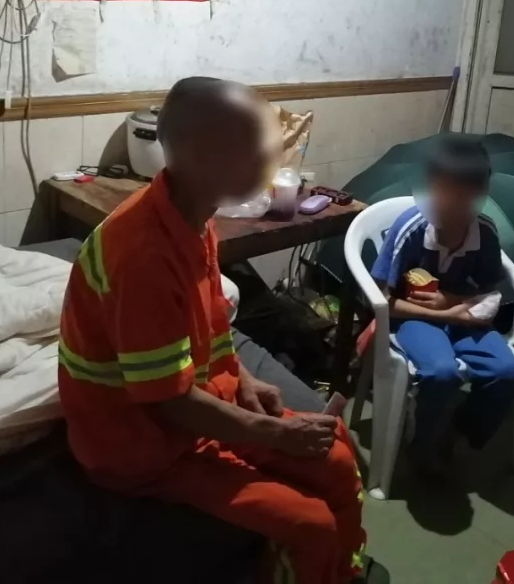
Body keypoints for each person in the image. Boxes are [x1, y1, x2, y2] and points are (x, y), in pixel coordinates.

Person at [57, 77, 365, 584]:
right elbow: (167, 401)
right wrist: (275, 433)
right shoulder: (142, 255)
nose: (273, 159)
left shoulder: (193, 215)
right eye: (258, 149)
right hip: (145, 442)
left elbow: (213, 320)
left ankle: (343, 571)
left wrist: (243, 378)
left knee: (336, 456)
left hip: (198, 403)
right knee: (310, 525)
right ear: (202, 160)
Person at [370, 136, 514, 473]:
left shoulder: (484, 233)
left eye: (458, 198)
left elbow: (488, 292)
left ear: (477, 197)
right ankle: (422, 442)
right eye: (438, 193)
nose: (445, 206)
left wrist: (452, 303)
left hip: (463, 317)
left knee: (508, 375)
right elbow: (383, 301)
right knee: (441, 373)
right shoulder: (410, 228)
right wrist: (440, 311)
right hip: (413, 319)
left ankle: (456, 430)